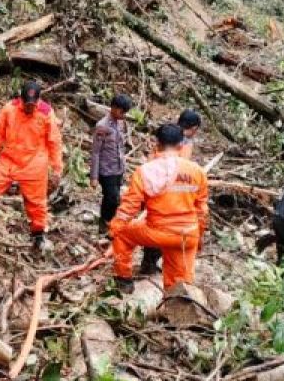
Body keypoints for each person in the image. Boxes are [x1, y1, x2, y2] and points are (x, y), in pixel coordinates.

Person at [0, 81, 63, 252]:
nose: (30, 108)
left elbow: (54, 142)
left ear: (38, 101)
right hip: (8, 161)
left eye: (33, 105)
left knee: (37, 203)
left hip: (34, 163)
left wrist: (57, 167)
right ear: (20, 99)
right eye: (27, 104)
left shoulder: (47, 113)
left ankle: (38, 236)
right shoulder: (9, 109)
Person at [111, 123, 209, 292]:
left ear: (157, 144)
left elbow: (129, 207)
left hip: (158, 233)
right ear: (181, 145)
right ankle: (176, 304)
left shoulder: (144, 171)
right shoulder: (197, 172)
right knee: (180, 280)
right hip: (187, 235)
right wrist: (198, 237)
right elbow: (202, 211)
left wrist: (115, 227)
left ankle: (124, 280)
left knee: (122, 235)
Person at [141, 106, 204, 272]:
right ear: (193, 128)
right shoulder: (177, 141)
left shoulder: (173, 137)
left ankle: (152, 261)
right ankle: (149, 263)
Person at [90, 94, 133, 233]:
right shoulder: (102, 126)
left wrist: (124, 168)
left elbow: (121, 146)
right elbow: (96, 152)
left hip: (118, 168)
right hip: (106, 170)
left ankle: (110, 223)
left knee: (115, 198)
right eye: (122, 112)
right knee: (111, 198)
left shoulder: (121, 123)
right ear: (113, 108)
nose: (124, 115)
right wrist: (94, 177)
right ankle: (105, 222)